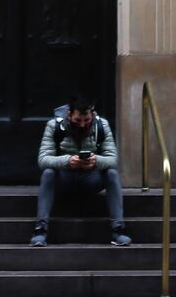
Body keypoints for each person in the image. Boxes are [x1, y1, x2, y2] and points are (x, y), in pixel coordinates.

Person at [31, 95, 129, 247]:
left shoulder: (102, 125)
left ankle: (118, 230)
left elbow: (113, 160)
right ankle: (40, 230)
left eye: (87, 120)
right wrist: (67, 161)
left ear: (92, 114)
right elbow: (43, 159)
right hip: (64, 180)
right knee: (48, 173)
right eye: (78, 120)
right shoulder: (53, 125)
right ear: (69, 114)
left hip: (91, 179)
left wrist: (95, 161)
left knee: (112, 174)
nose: (83, 124)